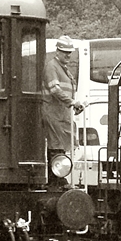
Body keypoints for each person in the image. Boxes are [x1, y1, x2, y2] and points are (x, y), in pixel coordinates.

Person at [42, 35, 84, 181]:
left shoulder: (63, 69)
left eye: (69, 52)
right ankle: (55, 179)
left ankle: (59, 177)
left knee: (62, 144)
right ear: (57, 51)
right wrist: (72, 102)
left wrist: (73, 105)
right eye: (64, 51)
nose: (68, 55)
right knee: (55, 146)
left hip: (62, 113)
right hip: (53, 113)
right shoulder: (52, 67)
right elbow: (55, 90)